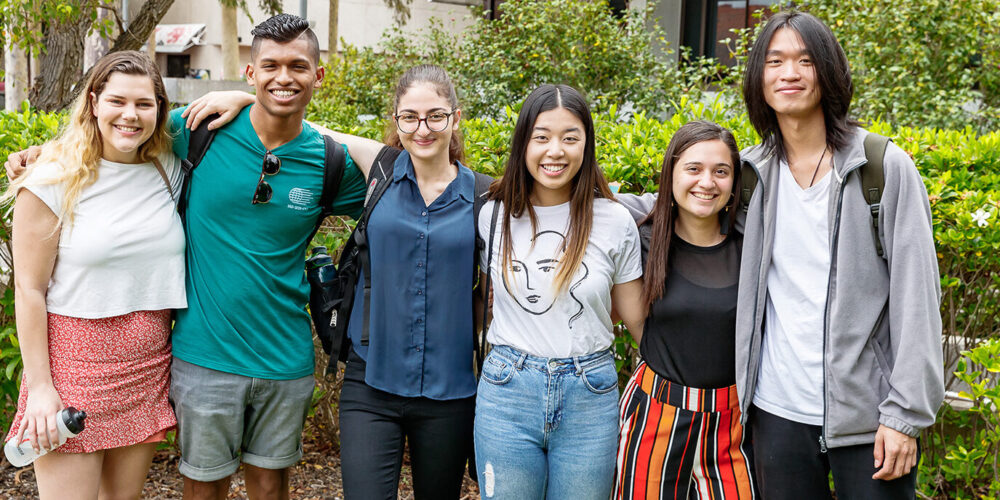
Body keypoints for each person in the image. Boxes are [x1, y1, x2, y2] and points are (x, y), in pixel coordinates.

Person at [186, 63, 487, 499]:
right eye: (410, 117)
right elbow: (302, 125)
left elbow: (556, 198)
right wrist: (247, 98)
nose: (423, 129)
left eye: (436, 116)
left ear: (456, 117)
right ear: (396, 119)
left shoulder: (483, 195)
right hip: (372, 383)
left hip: (450, 389)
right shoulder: (380, 168)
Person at [2, 51, 183, 499]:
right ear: (94, 102)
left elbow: (251, 121)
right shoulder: (52, 178)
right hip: (72, 371)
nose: (130, 115)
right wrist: (41, 388)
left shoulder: (169, 169)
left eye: (144, 104)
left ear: (160, 109)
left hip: (145, 368)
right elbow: (29, 290)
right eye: (117, 101)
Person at [474, 84, 646, 500]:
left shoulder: (614, 220)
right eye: (542, 137)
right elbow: (486, 299)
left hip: (591, 394)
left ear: (586, 145)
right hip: (507, 391)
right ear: (523, 144)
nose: (556, 150)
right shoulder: (493, 216)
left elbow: (635, 319)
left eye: (570, 138)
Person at [614, 121, 757, 500]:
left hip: (733, 425)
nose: (707, 182)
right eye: (693, 168)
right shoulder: (642, 237)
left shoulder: (753, 247)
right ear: (671, 172)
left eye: (721, 171)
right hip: (654, 416)